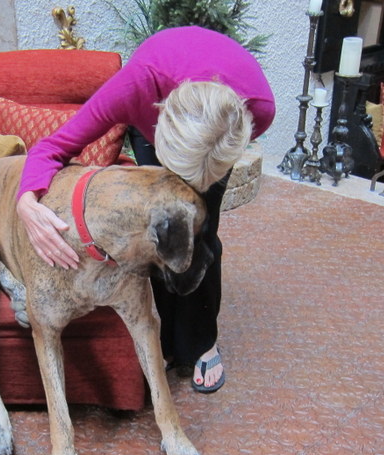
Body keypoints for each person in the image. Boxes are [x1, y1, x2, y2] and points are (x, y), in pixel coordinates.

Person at [16, 26, 275, 393]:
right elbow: (52, 147)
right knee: (157, 232)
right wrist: (26, 201)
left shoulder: (259, 108)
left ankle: (202, 342)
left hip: (214, 135)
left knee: (202, 231)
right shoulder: (134, 89)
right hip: (157, 110)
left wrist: (204, 174)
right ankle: (167, 340)